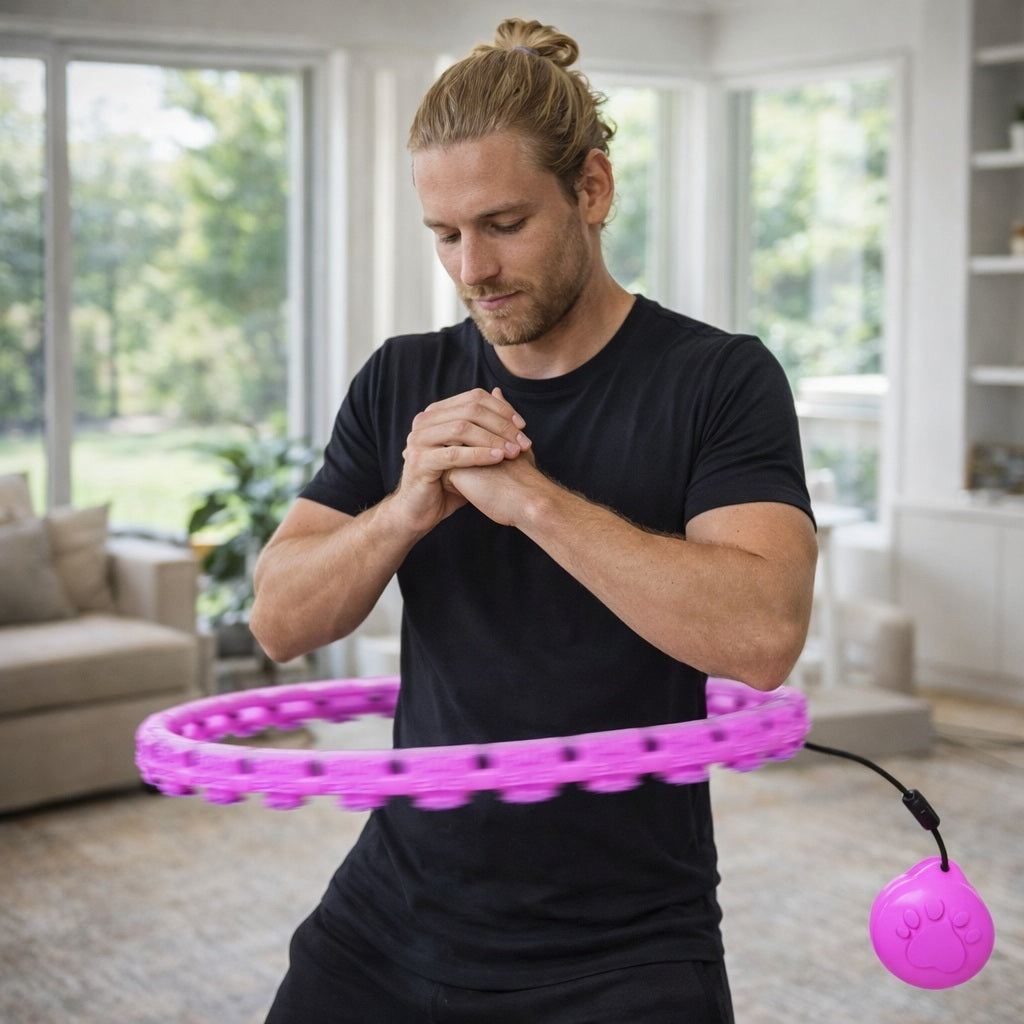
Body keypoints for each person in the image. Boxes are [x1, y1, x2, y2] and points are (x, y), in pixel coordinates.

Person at [252, 16, 817, 1024]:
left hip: (625, 942)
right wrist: (403, 509)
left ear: (591, 190)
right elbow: (278, 622)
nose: (472, 267)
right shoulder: (401, 379)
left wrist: (534, 501)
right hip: (395, 907)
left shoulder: (718, 379)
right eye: (444, 234)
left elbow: (762, 635)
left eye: (503, 223)